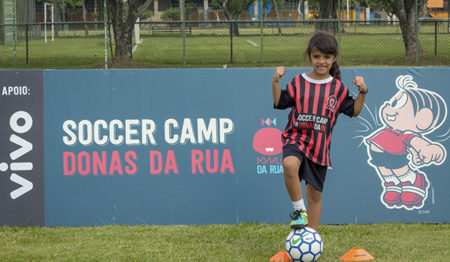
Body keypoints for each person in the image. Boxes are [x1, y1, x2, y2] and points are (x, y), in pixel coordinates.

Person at [272, 31, 368, 231]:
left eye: (326, 57)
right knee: (289, 165)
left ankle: (311, 237)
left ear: (333, 58)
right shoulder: (298, 81)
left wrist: (362, 92)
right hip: (295, 138)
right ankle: (299, 212)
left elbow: (355, 111)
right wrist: (275, 82)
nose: (321, 61)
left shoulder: (338, 89)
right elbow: (280, 101)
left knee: (314, 194)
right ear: (310, 57)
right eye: (317, 57)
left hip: (319, 147)